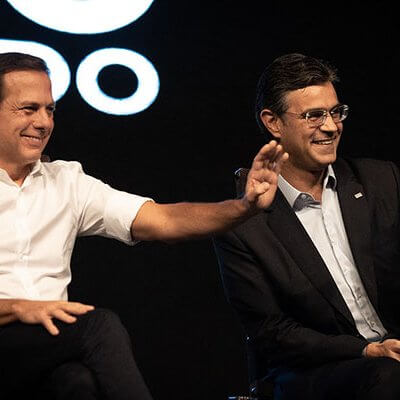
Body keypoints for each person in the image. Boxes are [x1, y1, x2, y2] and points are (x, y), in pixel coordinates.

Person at [0, 52, 287, 399]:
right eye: (29, 109)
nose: (44, 122)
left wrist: (244, 207)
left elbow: (163, 220)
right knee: (99, 327)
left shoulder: (66, 181)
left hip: (44, 345)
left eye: (50, 109)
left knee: (76, 382)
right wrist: (16, 307)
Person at [213, 53, 400, 400]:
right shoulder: (243, 223)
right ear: (273, 122)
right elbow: (273, 333)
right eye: (314, 116)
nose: (330, 126)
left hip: (395, 350)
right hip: (319, 372)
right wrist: (365, 351)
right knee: (389, 377)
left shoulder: (381, 181)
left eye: (335, 112)